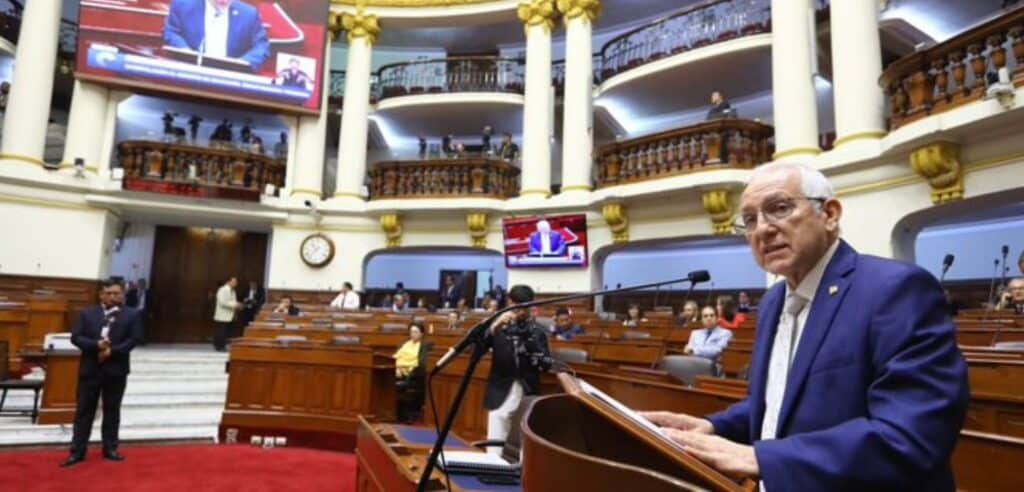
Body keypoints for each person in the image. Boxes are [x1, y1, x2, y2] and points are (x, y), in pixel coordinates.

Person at [640, 162, 968, 491]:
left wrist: (762, 459)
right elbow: (775, 404)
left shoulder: (895, 289)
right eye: (750, 219)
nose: (762, 229)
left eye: (779, 208)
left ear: (829, 214)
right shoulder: (773, 301)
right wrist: (712, 427)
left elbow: (911, 435)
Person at [61, 279, 144, 467]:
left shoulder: (132, 315)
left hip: (116, 369)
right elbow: (76, 337)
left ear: (122, 294)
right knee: (84, 411)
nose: (113, 297)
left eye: (117, 293)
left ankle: (110, 448)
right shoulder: (87, 314)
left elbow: (135, 338)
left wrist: (112, 351)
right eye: (109, 293)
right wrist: (96, 345)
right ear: (101, 294)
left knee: (112, 410)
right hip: (90, 368)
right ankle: (77, 451)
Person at [483, 285, 550, 454]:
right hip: (500, 385)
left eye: (525, 307)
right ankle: (493, 461)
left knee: (524, 430)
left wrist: (532, 347)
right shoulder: (497, 325)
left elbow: (545, 363)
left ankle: (521, 465)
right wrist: (494, 328)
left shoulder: (537, 331)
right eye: (516, 306)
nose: (520, 311)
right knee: (497, 419)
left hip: (526, 386)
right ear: (509, 302)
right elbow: (477, 349)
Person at [162, 0, 271, 71]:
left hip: (231, 78)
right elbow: (171, 32)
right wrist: (184, 51)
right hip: (190, 71)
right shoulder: (183, 5)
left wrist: (243, 63)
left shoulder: (248, 14)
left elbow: (261, 45)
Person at [394, 321, 432, 423]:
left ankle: (409, 414)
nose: (413, 334)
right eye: (411, 332)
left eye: (415, 332)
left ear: (421, 333)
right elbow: (396, 357)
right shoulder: (404, 344)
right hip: (398, 371)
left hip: (413, 375)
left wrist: (406, 366)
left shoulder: (426, 345)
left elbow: (422, 363)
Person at [212, 277, 240, 351]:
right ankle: (219, 346)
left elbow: (233, 301)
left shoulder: (233, 291)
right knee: (221, 332)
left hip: (230, 315)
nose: (235, 283)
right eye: (233, 282)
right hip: (222, 315)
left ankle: (222, 345)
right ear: (228, 282)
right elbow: (222, 302)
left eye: (236, 282)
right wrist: (235, 305)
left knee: (225, 332)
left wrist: (237, 305)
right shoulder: (222, 290)